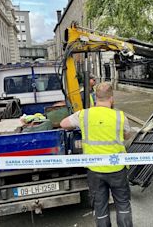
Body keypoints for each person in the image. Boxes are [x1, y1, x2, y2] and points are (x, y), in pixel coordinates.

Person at [61, 82, 133, 227]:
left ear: (96, 97)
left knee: (101, 207)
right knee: (123, 204)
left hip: (95, 170)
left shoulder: (83, 115)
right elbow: (126, 135)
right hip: (117, 169)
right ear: (111, 98)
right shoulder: (119, 116)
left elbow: (63, 124)